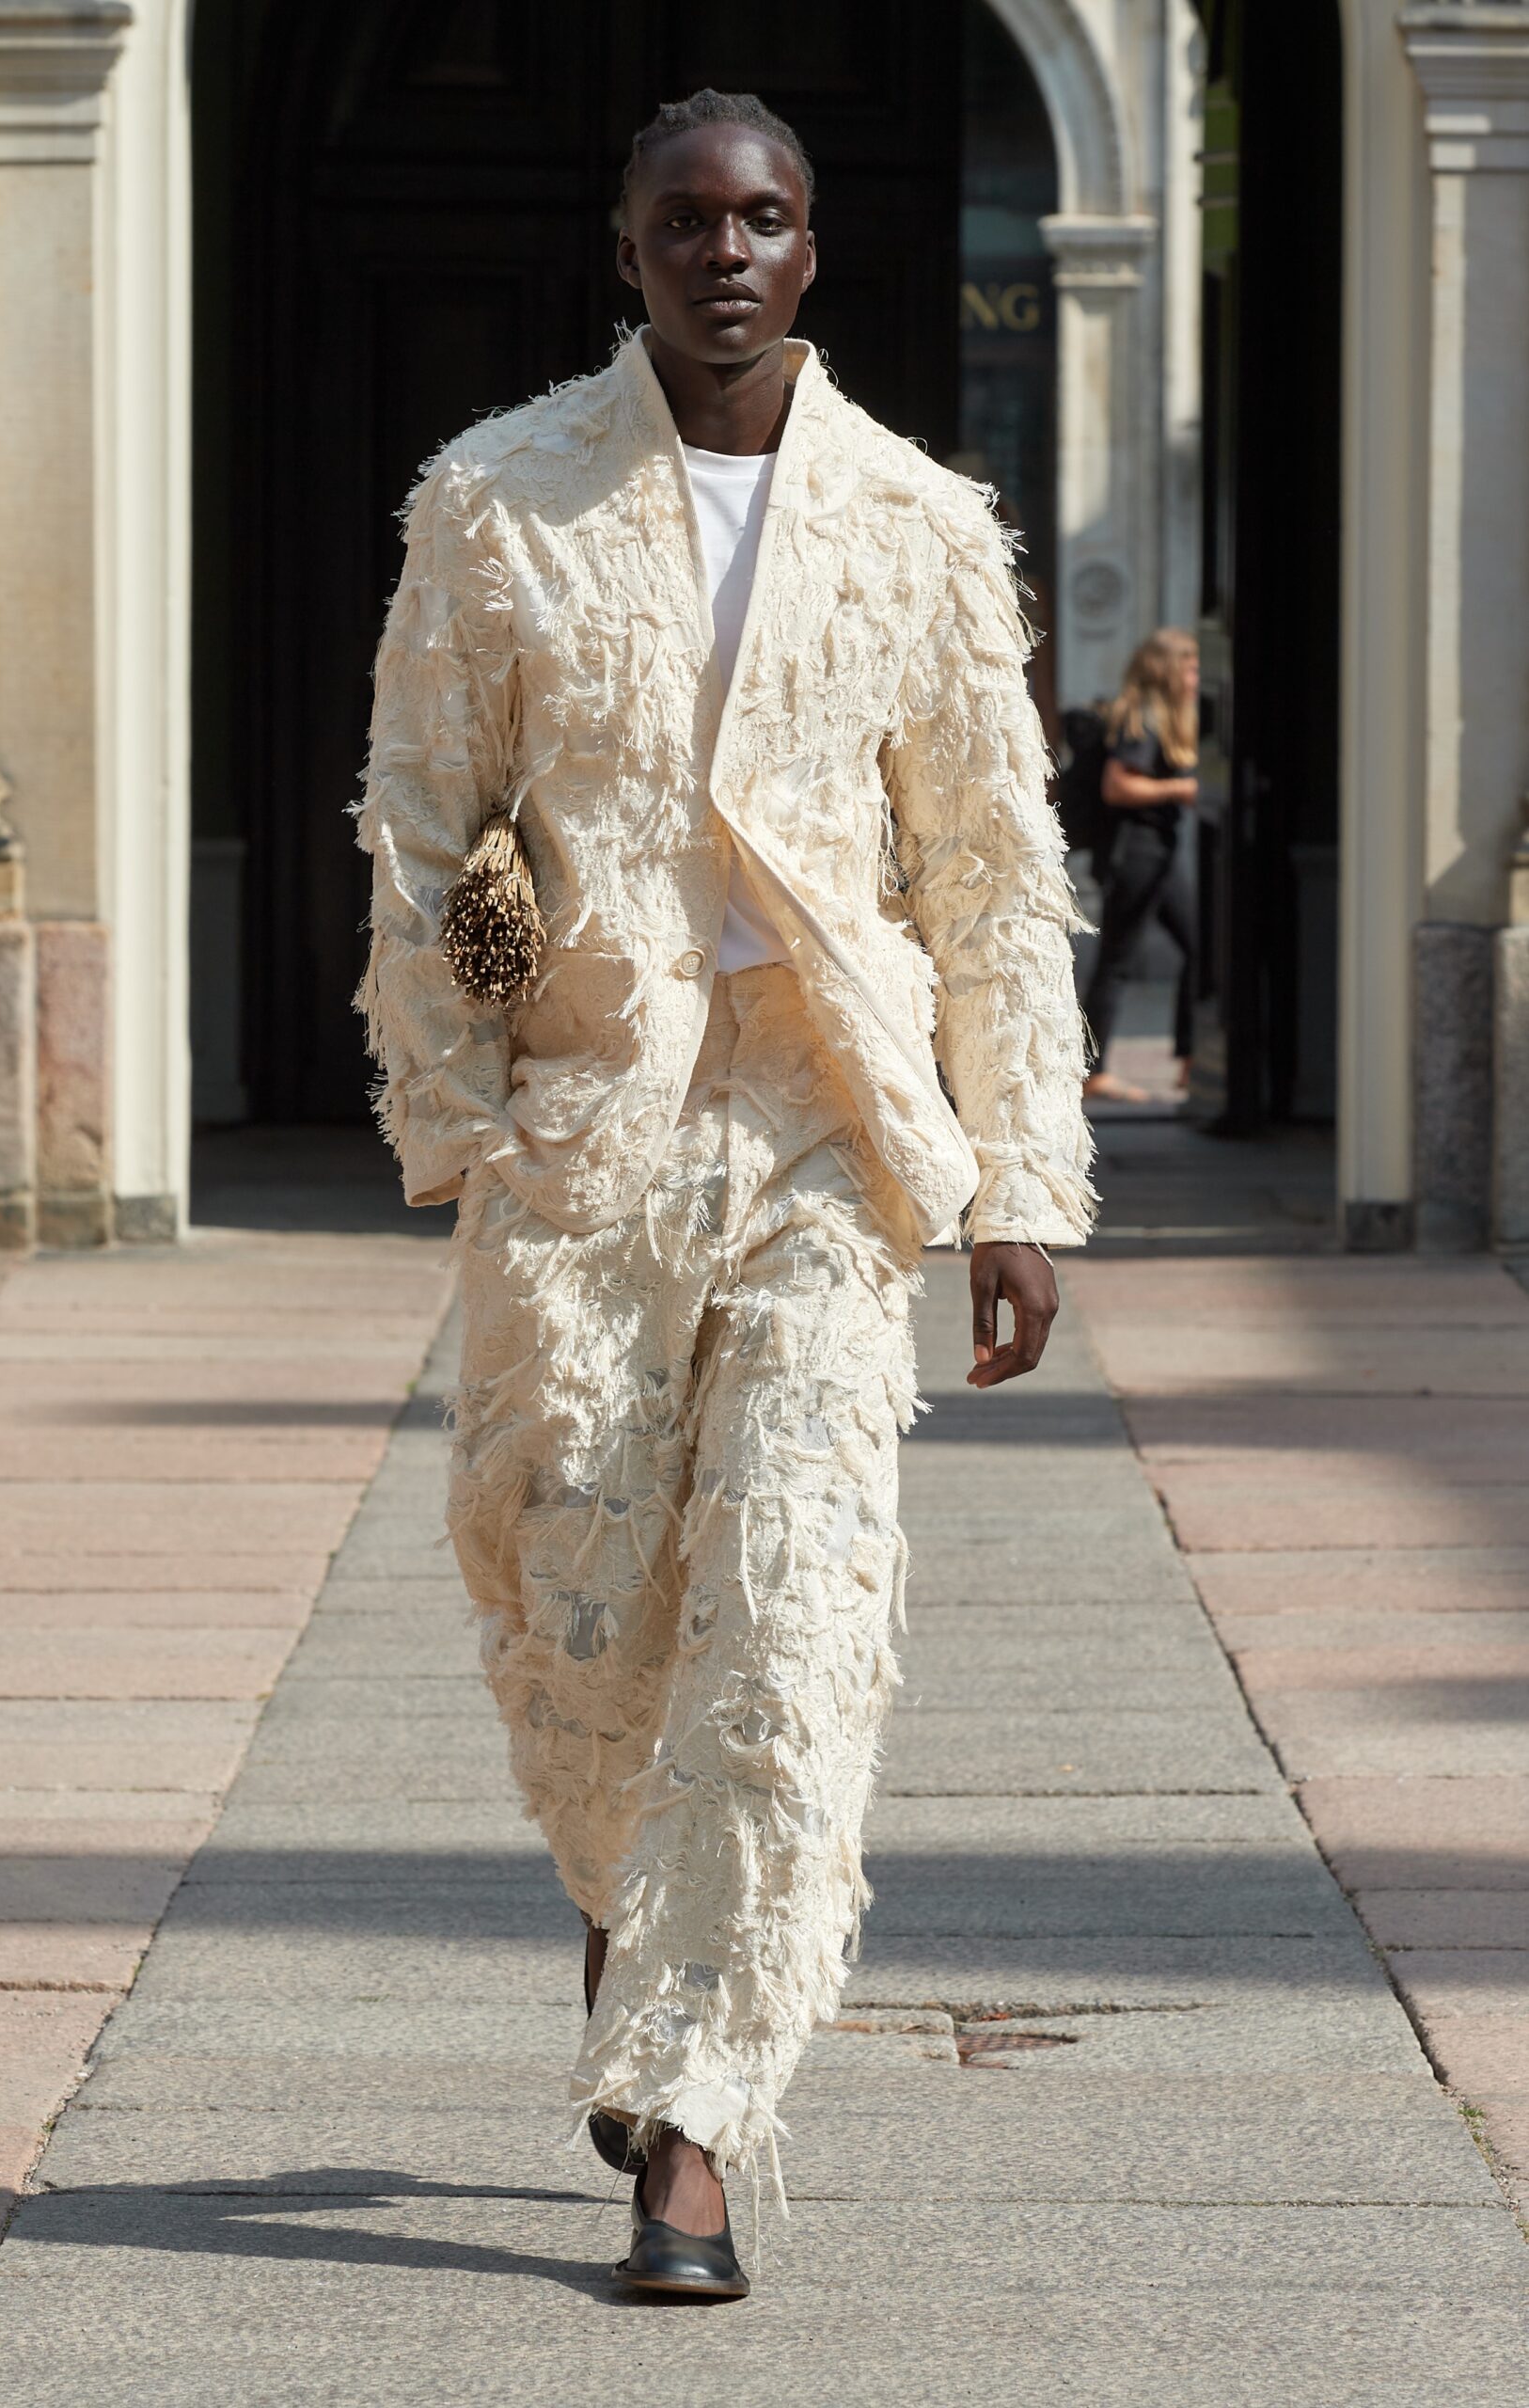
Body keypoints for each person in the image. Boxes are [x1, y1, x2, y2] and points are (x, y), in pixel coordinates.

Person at [356, 87, 1095, 2300]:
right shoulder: (493, 503)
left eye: (763, 215)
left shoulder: (913, 523)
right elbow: (426, 830)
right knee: (573, 1587)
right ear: (624, 248)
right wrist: (462, 1092)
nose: (727, 251)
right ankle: (640, 1943)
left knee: (785, 1605)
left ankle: (692, 2129)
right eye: (687, 218)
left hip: (816, 1132)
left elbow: (983, 869)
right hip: (587, 1129)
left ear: (812, 250)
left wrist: (1014, 1177)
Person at [1080, 627, 1201, 1104]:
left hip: (1158, 853)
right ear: (1166, 669)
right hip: (1138, 853)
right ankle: (1092, 1070)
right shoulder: (1144, 720)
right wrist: (1182, 790)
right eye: (1189, 667)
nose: (1196, 677)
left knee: (1202, 947)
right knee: (1117, 961)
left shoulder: (1162, 717)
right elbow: (1117, 787)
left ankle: (1193, 1060)